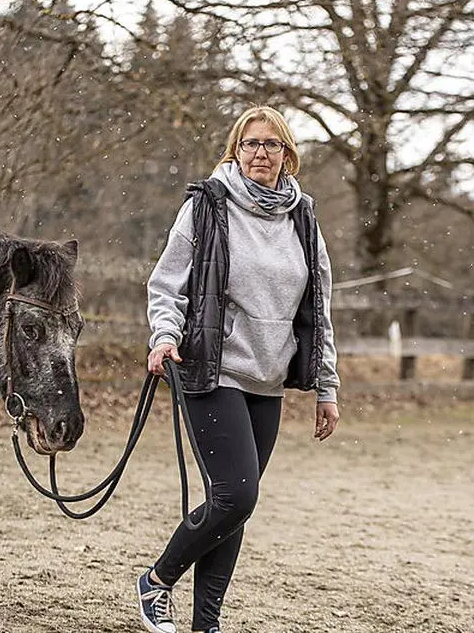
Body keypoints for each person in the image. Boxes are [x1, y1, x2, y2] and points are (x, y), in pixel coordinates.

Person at [136, 105, 341, 633]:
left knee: (235, 504)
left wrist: (326, 386)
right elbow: (167, 283)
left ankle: (206, 624)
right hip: (212, 369)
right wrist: (163, 336)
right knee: (237, 494)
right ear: (236, 150)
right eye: (250, 143)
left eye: (272, 145)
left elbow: (318, 309)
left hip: (268, 380)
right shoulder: (208, 206)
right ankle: (156, 582)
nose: (260, 153)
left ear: (288, 155)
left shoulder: (303, 219)